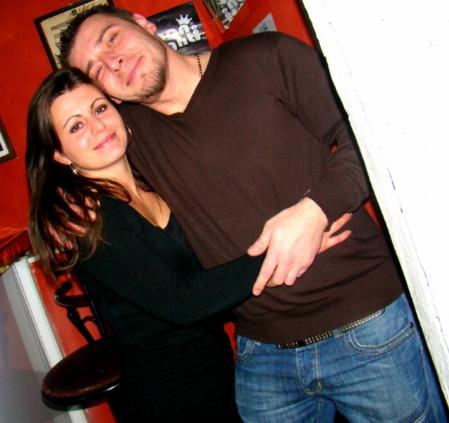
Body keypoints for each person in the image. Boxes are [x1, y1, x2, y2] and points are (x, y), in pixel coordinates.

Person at [58, 7, 447, 422]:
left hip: (367, 323)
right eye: (96, 69)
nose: (113, 62)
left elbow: (370, 136)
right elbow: (73, 148)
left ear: (143, 23)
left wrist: (314, 211)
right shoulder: (122, 133)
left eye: (112, 39)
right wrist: (59, 202)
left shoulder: (267, 56)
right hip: (261, 353)